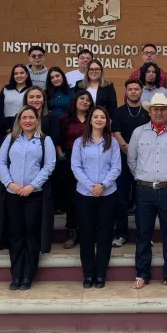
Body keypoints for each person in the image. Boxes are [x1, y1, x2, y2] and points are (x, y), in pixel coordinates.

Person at [128, 93, 167, 291]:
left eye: (163, 109)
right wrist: (143, 177)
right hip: (144, 190)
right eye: (156, 109)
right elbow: (132, 160)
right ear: (150, 111)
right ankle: (142, 274)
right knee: (143, 234)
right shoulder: (138, 133)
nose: (159, 112)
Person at [0, 105, 56, 291]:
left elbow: (49, 165)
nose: (28, 120)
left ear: (37, 120)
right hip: (13, 194)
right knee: (16, 236)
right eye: (24, 117)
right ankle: (16, 275)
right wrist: (9, 183)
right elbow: (1, 162)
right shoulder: (10, 139)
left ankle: (28, 275)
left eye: (31, 117)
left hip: (34, 195)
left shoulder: (45, 141)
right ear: (19, 121)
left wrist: (32, 186)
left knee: (31, 236)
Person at [72, 106, 121, 288]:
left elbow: (116, 167)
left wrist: (103, 185)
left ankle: (100, 274)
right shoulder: (80, 142)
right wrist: (91, 186)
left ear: (107, 121)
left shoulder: (113, 142)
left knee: (104, 234)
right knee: (86, 235)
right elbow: (76, 167)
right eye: (96, 117)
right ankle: (88, 274)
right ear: (90, 120)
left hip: (108, 194)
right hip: (85, 194)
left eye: (103, 117)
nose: (99, 120)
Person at [111, 79, 150, 247]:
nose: (133, 92)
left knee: (142, 198)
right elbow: (116, 132)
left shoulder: (148, 112)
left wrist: (136, 150)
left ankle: (144, 235)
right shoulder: (119, 112)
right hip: (122, 159)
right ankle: (121, 232)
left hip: (144, 159)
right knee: (121, 197)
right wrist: (126, 147)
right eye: (130, 89)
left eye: (136, 89)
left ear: (141, 92)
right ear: (126, 92)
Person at [58, 90, 94, 249]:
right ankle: (72, 231)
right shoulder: (65, 118)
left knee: (88, 196)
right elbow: (59, 140)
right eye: (82, 98)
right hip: (69, 159)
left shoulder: (93, 119)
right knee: (71, 197)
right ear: (75, 100)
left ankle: (88, 231)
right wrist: (62, 157)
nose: (85, 102)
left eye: (88, 100)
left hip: (91, 161)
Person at [23, 86, 62, 214]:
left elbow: (55, 139)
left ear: (44, 100)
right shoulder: (20, 117)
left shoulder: (53, 117)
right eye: (31, 97)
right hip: (24, 164)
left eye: (38, 97)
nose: (35, 100)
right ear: (26, 99)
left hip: (46, 162)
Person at [0, 64, 32, 146]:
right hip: (6, 128)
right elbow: (0, 110)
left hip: (25, 128)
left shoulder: (31, 90)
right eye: (16, 73)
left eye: (22, 73)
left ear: (27, 75)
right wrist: (8, 129)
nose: (19, 75)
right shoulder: (6, 89)